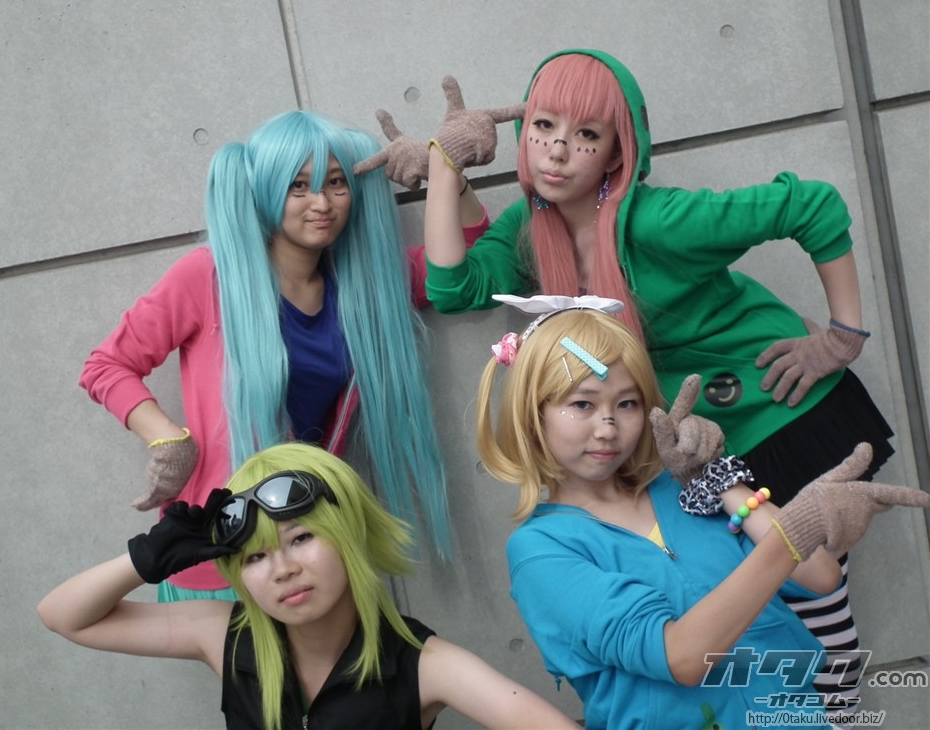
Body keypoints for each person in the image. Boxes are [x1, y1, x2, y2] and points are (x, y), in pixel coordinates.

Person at [363, 48, 896, 712]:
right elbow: (454, 287)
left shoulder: (658, 219)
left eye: (586, 134)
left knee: (818, 628)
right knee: (748, 627)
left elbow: (811, 205)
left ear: (619, 150)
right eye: (543, 127)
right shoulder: (531, 230)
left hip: (781, 415)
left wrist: (842, 336)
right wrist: (447, 163)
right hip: (692, 448)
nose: (559, 151)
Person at [80, 110, 489, 601]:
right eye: (299, 186)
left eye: (336, 182)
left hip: (306, 544)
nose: (322, 203)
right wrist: (166, 438)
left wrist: (447, 170)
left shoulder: (369, 285)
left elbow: (465, 259)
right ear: (266, 190)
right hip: (218, 551)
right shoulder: (209, 277)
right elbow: (106, 365)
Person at [472, 296, 928, 729]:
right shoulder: (540, 550)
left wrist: (717, 479)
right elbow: (682, 657)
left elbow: (820, 575)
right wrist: (795, 530)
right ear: (534, 414)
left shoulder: (684, 489)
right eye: (582, 404)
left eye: (627, 403)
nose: (608, 427)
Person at [37, 442, 581, 730]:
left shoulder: (423, 664)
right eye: (255, 556)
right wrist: (145, 559)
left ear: (348, 532)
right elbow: (63, 616)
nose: (282, 569)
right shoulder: (225, 637)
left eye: (300, 539)